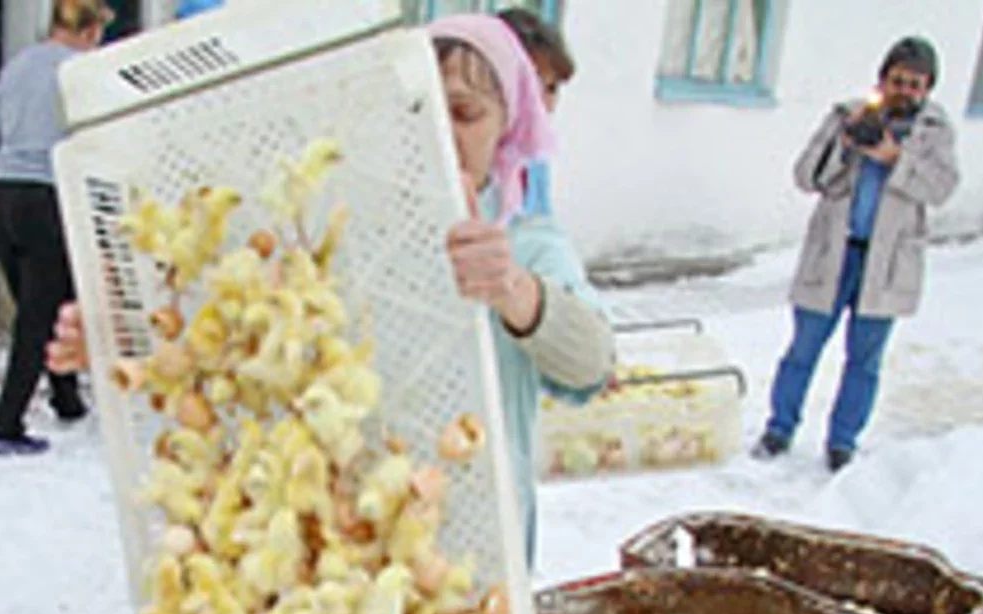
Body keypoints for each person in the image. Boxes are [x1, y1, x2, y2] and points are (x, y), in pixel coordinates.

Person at [46, 13, 612, 566]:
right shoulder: (339, 228)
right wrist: (125, 345)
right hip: (347, 541)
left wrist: (513, 289)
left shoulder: (528, 243)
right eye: (419, 108)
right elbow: (240, 351)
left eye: (464, 113)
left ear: (505, 127)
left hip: (474, 560)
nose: (439, 128)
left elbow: (592, 367)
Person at [754, 36, 959, 471]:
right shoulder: (847, 115)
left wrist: (895, 158)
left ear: (927, 89)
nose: (905, 91)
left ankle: (842, 441)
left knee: (864, 361)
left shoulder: (935, 133)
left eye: (915, 84)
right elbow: (806, 176)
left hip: (886, 265)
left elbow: (941, 188)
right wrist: (846, 146)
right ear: (882, 80)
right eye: (897, 81)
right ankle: (779, 429)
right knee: (802, 349)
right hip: (834, 254)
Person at [0, 0, 111, 456]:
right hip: (47, 197)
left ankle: (66, 399)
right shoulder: (81, 72)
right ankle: (5, 426)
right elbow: (93, 138)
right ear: (89, 32)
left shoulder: (19, 66)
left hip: (2, 195)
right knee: (38, 319)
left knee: (43, 303)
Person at [497, 7, 576, 219]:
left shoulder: (534, 159)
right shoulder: (470, 156)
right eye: (531, 84)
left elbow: (544, 225)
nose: (540, 102)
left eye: (551, 89)